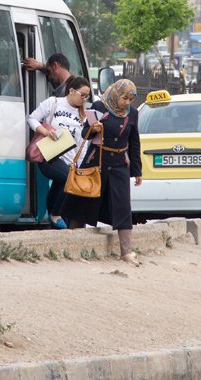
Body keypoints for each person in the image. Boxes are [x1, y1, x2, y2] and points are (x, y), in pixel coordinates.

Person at [60, 79, 143, 266]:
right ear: (116, 94)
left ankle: (126, 252)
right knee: (82, 201)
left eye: (130, 99)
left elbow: (135, 142)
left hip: (120, 164)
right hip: (97, 161)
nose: (127, 103)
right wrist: (93, 128)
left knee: (123, 206)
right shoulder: (100, 106)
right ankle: (73, 247)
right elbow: (85, 134)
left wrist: (137, 171)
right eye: (124, 98)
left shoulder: (133, 114)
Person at [27, 76, 92, 229]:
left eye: (87, 96)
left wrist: (79, 165)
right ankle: (55, 214)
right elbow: (31, 118)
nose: (84, 99)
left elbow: (82, 142)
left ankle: (52, 217)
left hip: (70, 160)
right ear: (71, 90)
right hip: (48, 155)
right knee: (66, 178)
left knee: (60, 182)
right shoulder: (53, 102)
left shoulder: (83, 114)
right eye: (82, 95)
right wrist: (45, 131)